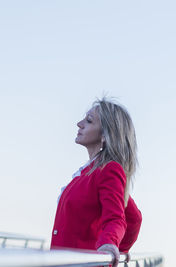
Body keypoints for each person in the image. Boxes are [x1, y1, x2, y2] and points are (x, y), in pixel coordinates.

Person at [50, 97, 142, 267]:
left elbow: (117, 218)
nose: (79, 123)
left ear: (105, 135)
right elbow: (133, 217)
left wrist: (111, 245)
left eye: (89, 120)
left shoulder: (109, 170)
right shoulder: (90, 171)